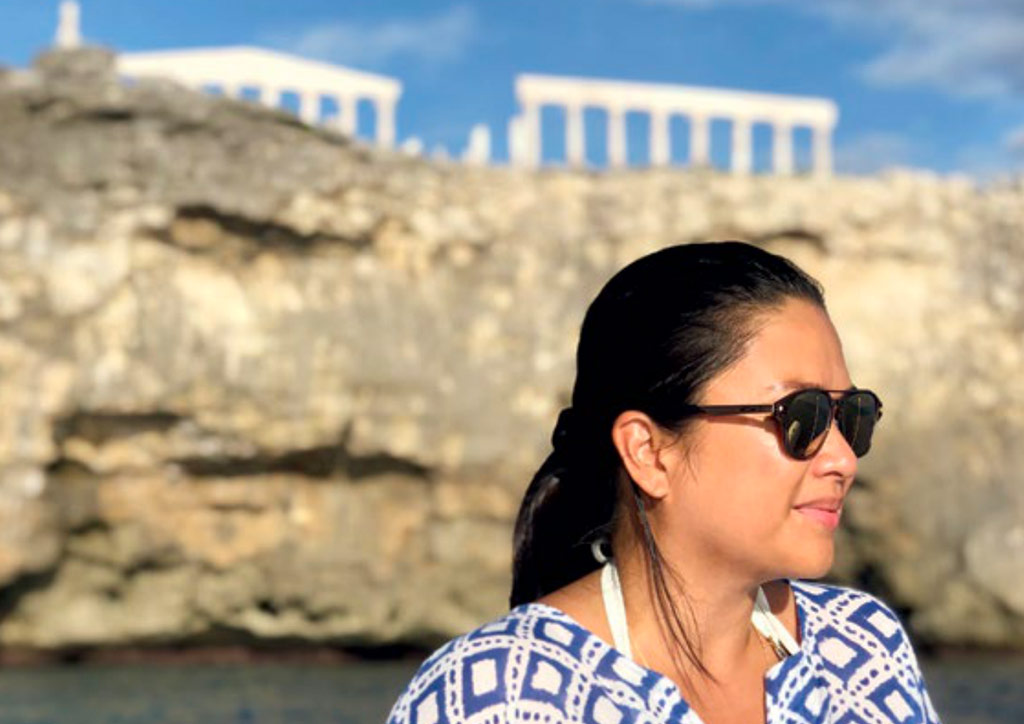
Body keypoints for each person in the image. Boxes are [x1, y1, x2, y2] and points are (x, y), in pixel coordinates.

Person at [387, 241, 940, 724]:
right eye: (803, 416)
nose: (843, 458)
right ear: (648, 452)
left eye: (853, 417)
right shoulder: (499, 696)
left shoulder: (860, 650)